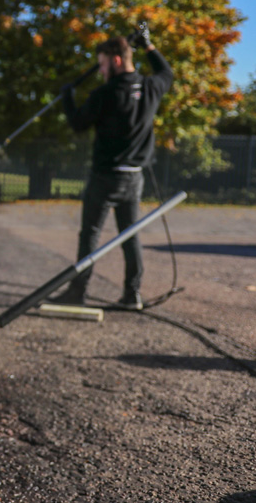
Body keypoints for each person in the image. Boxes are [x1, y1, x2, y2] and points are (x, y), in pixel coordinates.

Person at [52, 26, 173, 309]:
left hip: (105, 177)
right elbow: (167, 73)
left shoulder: (104, 94)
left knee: (90, 235)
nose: (101, 70)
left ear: (116, 60)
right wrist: (150, 47)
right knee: (130, 236)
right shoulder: (150, 87)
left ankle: (77, 292)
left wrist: (68, 98)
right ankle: (132, 295)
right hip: (134, 178)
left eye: (103, 64)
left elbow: (78, 124)